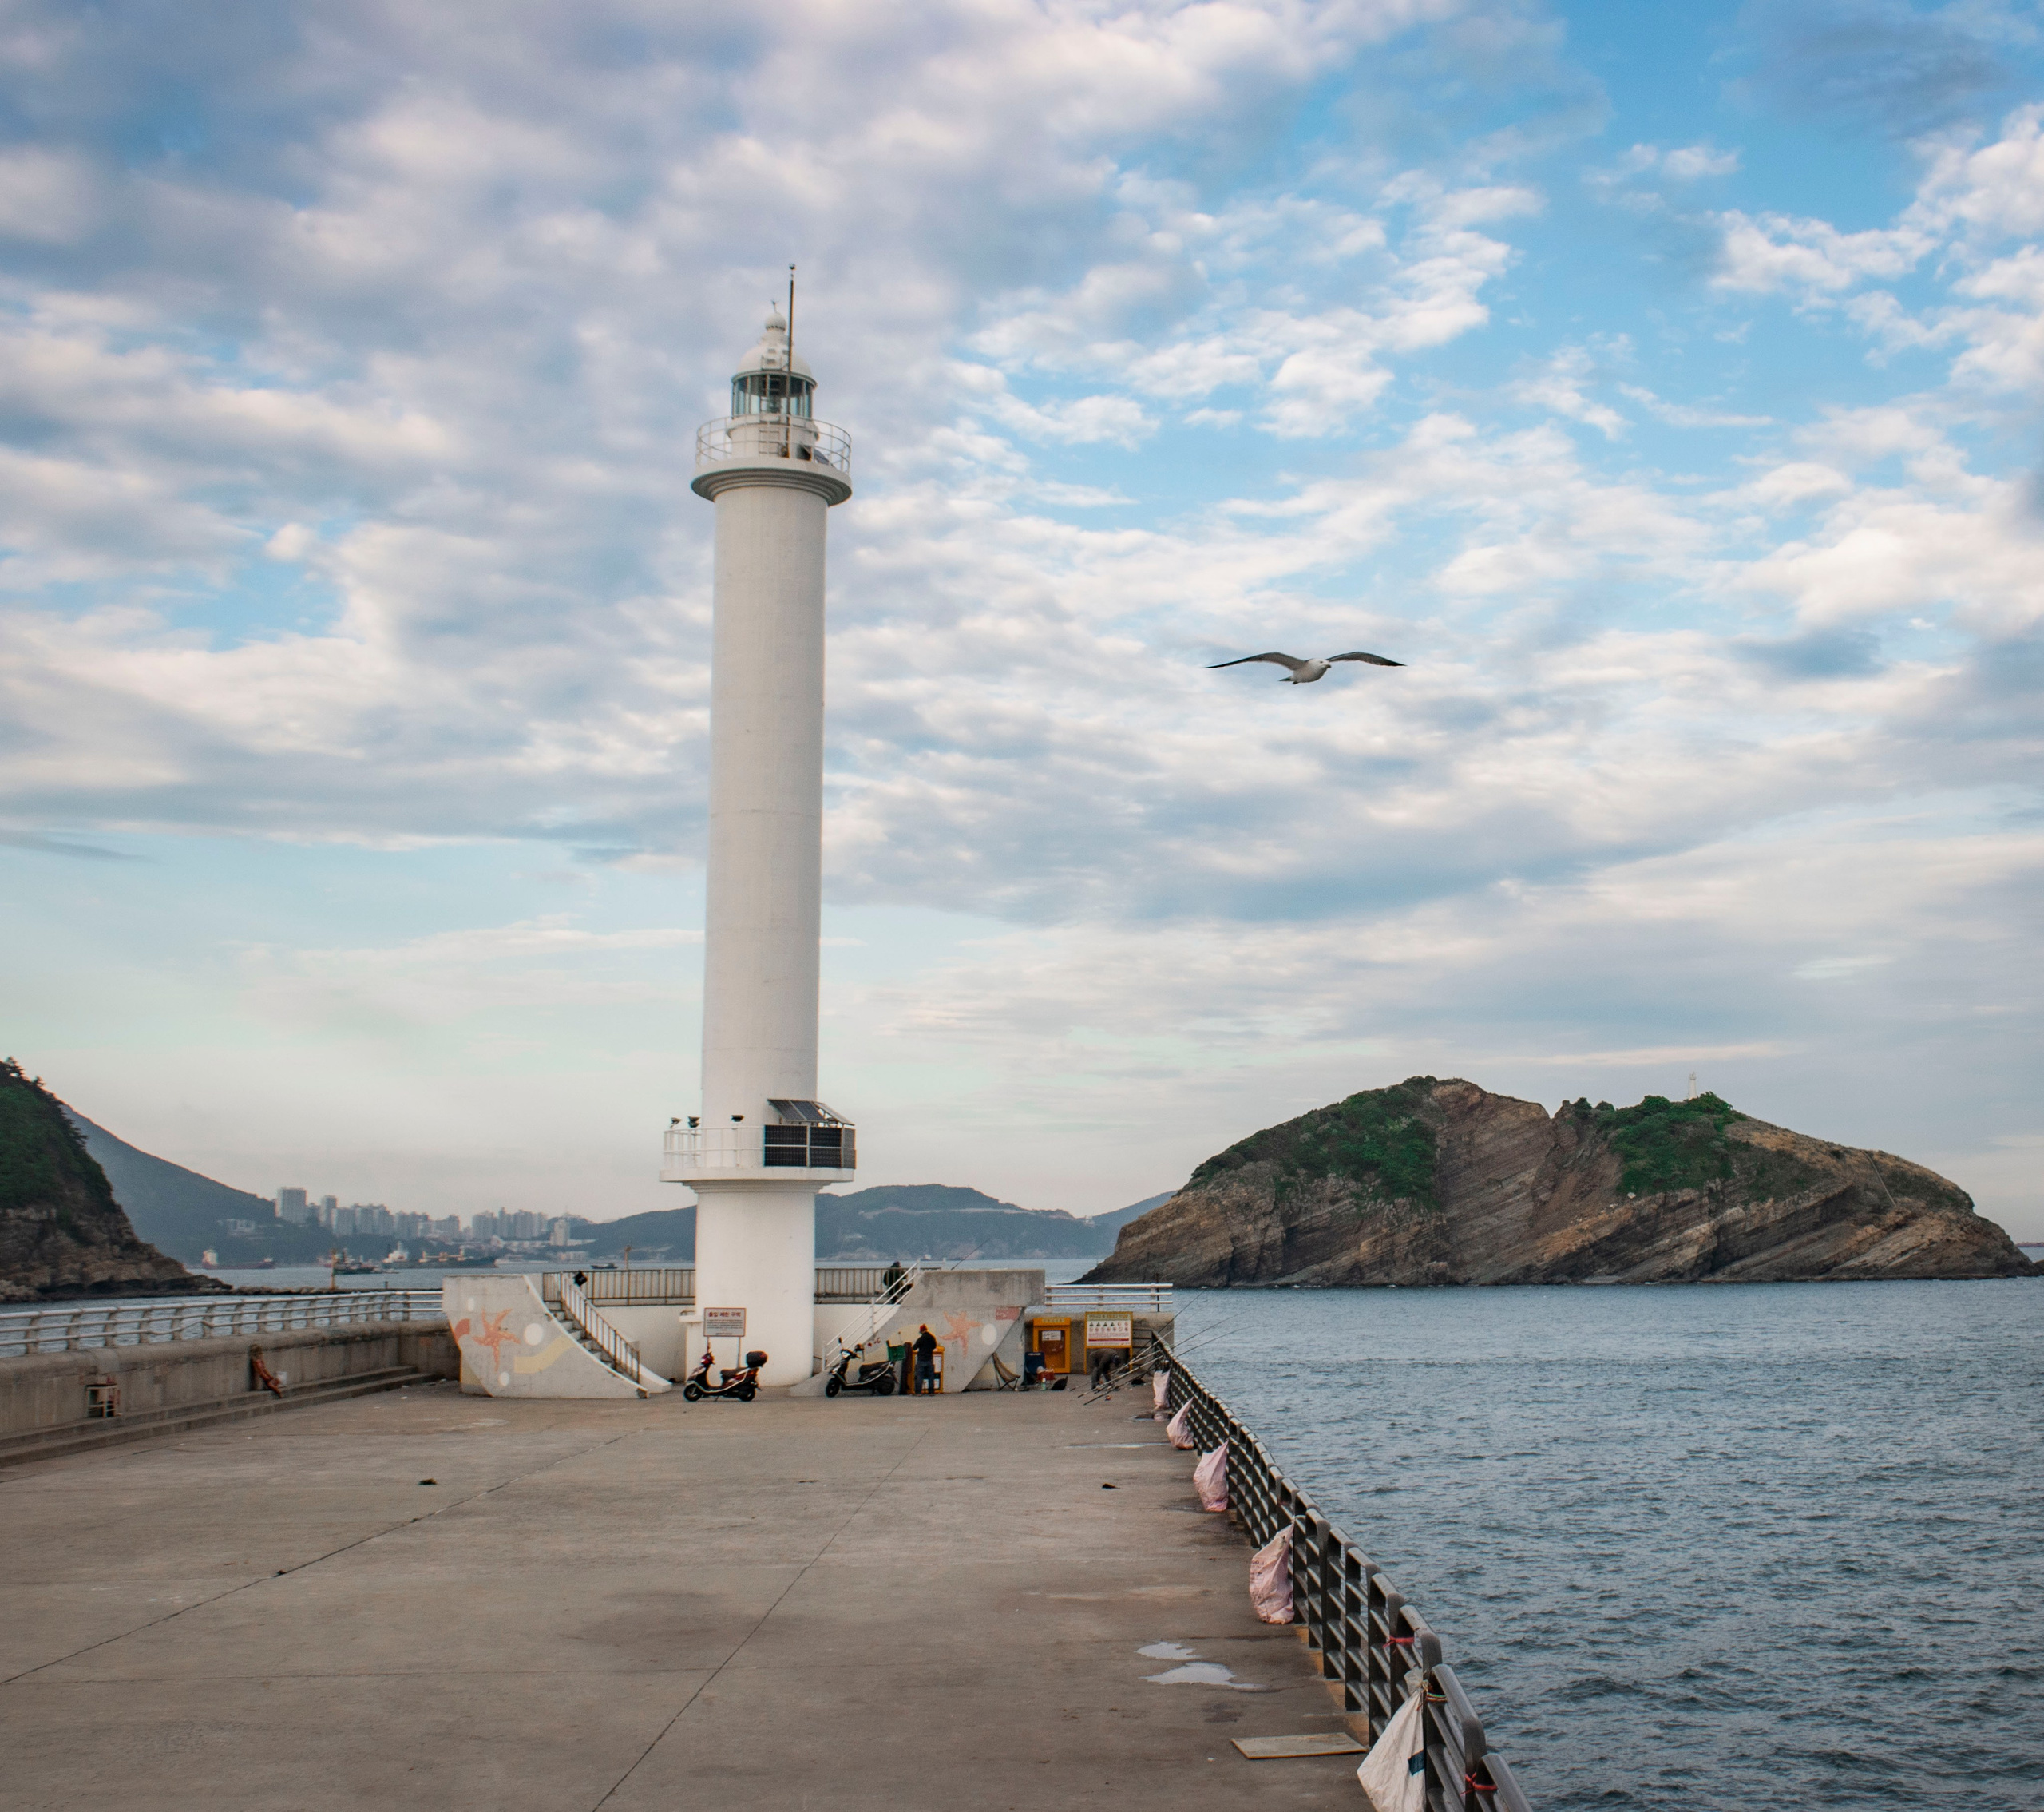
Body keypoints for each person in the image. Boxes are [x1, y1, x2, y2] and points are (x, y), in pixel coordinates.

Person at [912, 1324, 939, 1395]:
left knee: (920, 1376)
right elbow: (934, 1346)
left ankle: (918, 1392)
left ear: (921, 1331)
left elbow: (914, 1347)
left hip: (921, 1359)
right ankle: (931, 1392)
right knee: (930, 1376)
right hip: (929, 1359)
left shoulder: (921, 1339)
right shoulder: (932, 1338)